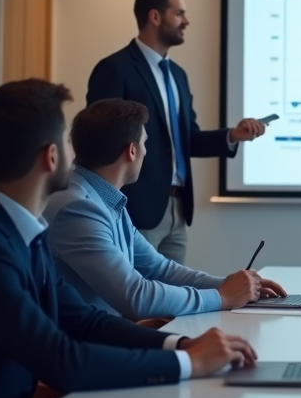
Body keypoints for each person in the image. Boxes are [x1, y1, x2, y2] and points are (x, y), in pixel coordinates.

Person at [0, 80, 258, 398]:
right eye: (68, 144)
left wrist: (182, 345)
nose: (76, 153)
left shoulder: (17, 229)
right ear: (51, 157)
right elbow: (63, 361)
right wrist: (190, 364)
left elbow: (84, 320)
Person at [44, 99, 287, 320]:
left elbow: (159, 268)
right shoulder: (78, 207)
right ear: (131, 151)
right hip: (85, 350)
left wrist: (234, 285)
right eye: (145, 143)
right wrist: (223, 297)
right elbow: (135, 297)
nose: (146, 151)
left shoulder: (103, 196)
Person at [87, 0, 266, 264]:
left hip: (178, 209)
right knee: (137, 302)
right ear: (155, 16)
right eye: (180, 13)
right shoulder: (115, 69)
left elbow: (187, 140)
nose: (187, 21)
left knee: (174, 299)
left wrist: (233, 135)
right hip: (136, 209)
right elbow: (100, 139)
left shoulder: (177, 76)